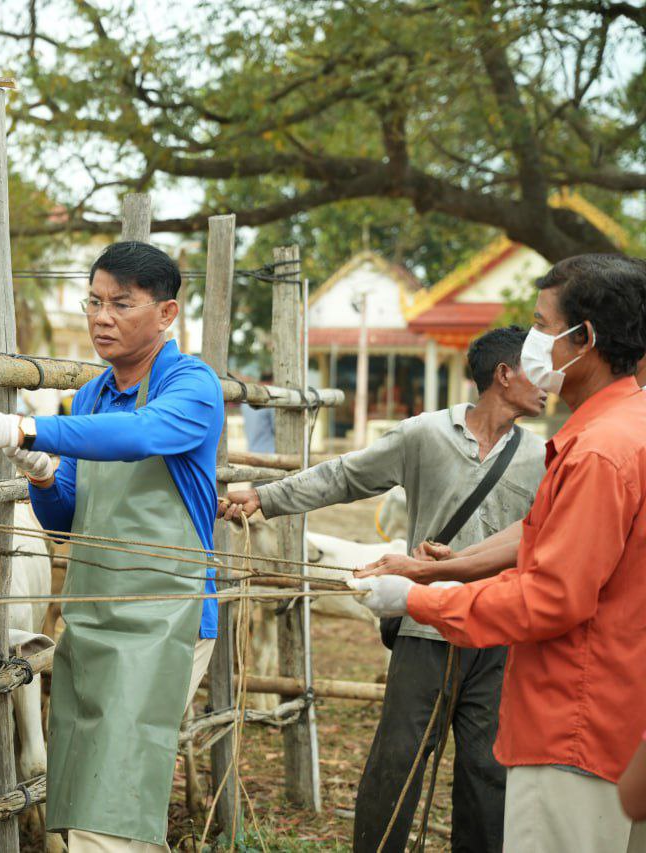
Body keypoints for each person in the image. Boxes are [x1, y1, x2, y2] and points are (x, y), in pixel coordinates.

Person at [348, 255, 646, 853]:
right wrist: (437, 568)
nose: (533, 342)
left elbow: (551, 596)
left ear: (584, 339)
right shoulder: (623, 429)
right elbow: (544, 534)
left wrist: (419, 599)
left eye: (541, 325)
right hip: (617, 715)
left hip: (572, 723)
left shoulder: (596, 453)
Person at [0, 240, 223, 852]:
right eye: (93, 302)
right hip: (93, 616)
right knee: (85, 787)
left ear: (166, 313)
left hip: (164, 620)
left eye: (121, 303)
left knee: (116, 796)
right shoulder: (91, 398)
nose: (102, 317)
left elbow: (142, 435)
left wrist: (25, 427)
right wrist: (42, 473)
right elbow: (66, 518)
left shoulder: (191, 384)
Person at [223, 325, 548, 853]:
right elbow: (345, 475)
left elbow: (543, 538)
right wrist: (265, 497)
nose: (549, 383)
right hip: (425, 626)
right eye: (537, 370)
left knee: (488, 772)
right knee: (398, 762)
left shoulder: (543, 457)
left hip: (497, 636)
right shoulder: (425, 434)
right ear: (504, 374)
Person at [241, 371, 276, 454]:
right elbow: (277, 429)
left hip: (251, 451)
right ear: (271, 382)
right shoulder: (269, 400)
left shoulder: (246, 401)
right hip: (269, 452)